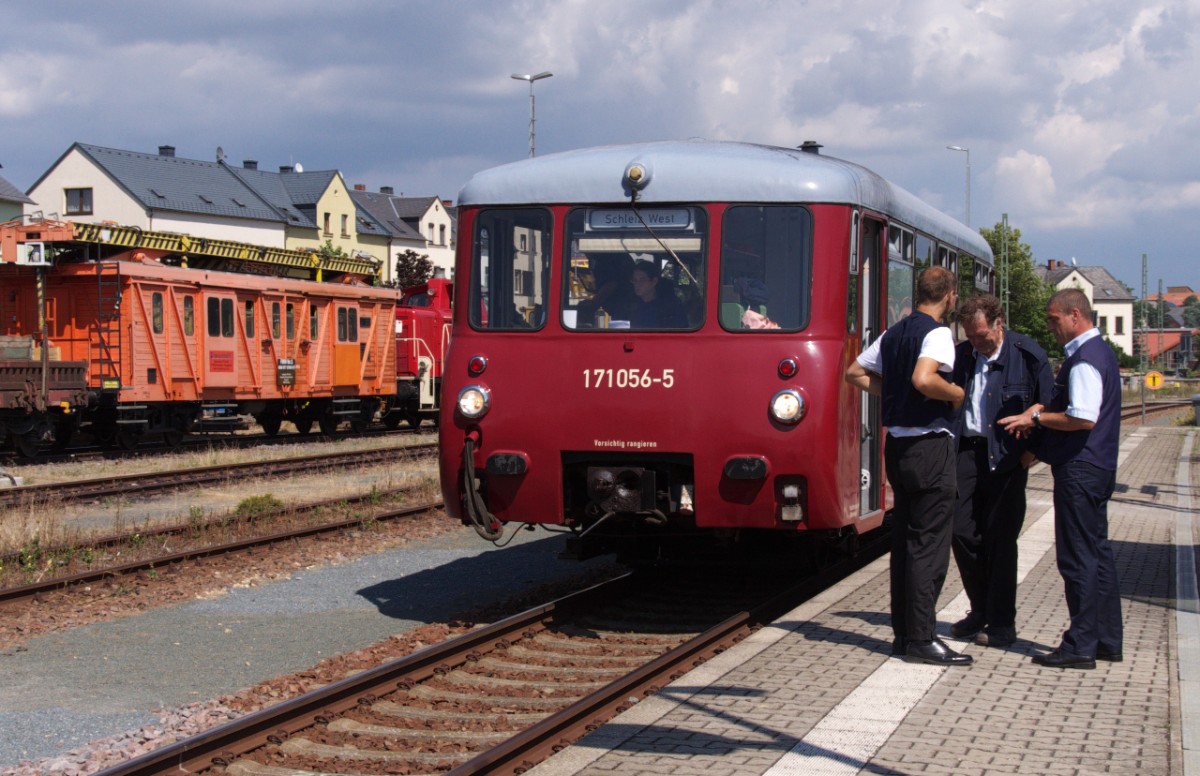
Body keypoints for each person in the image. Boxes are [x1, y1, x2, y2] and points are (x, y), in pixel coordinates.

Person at [844, 266, 971, 666]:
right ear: (949, 296)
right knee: (929, 546)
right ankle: (921, 638)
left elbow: (854, 372)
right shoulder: (938, 334)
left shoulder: (894, 332)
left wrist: (892, 392)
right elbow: (923, 378)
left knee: (904, 544)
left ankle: (903, 634)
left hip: (897, 448)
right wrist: (956, 394)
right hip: (930, 447)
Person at [999, 289, 1122, 670]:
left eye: (1054, 319)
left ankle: (1080, 644)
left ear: (1074, 315)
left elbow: (1082, 417)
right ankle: (1106, 639)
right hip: (1099, 466)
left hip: (1080, 469)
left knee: (1077, 557)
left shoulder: (1084, 360)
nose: (1050, 326)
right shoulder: (1101, 352)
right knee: (1097, 553)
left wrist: (1035, 417)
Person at [948, 294, 1053, 648]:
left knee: (1001, 541)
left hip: (1007, 457)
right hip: (967, 453)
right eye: (970, 336)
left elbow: (1049, 405)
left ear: (998, 324)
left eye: (981, 335)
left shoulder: (1028, 355)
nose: (976, 342)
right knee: (961, 531)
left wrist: (1030, 454)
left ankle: (1002, 623)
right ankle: (980, 608)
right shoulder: (962, 356)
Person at [629, 260, 687, 328]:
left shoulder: (672, 307)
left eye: (642, 280)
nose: (637, 284)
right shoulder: (629, 306)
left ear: (654, 281)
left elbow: (684, 330)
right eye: (635, 280)